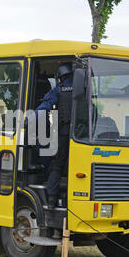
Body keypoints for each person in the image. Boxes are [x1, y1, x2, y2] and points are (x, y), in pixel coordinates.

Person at [27, 63, 74, 210]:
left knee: (57, 165)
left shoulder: (58, 90)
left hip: (64, 134)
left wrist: (29, 119)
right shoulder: (83, 91)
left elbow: (44, 107)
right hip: (82, 137)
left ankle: (52, 199)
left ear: (60, 78)